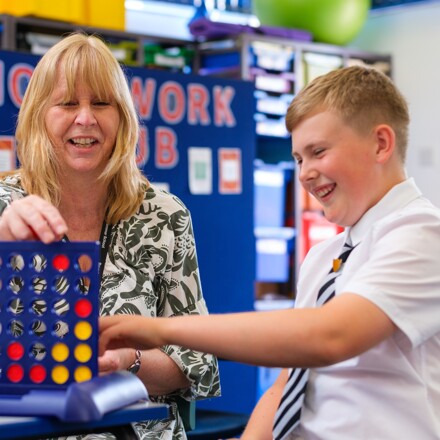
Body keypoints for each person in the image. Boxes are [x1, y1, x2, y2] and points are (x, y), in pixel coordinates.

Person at [99, 65, 440, 440]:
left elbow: (331, 336)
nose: (305, 173)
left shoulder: (422, 233)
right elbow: (285, 387)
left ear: (381, 144)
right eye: (299, 159)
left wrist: (158, 329)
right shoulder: (324, 257)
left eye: (318, 152)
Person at [0, 32, 220, 440]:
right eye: (68, 103)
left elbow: (198, 363)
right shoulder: (6, 207)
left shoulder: (163, 215)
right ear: (37, 115)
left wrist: (128, 361)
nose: (85, 118)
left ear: (123, 118)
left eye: (102, 103)